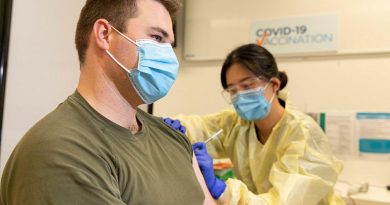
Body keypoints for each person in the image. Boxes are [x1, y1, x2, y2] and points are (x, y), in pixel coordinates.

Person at [0, 0, 216, 204]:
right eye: (157, 38)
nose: (169, 57)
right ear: (105, 34)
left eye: (170, 45)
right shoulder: (60, 151)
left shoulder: (172, 138)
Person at [164, 44, 345, 204]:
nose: (240, 96)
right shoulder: (238, 125)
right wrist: (169, 129)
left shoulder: (303, 135)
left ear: (274, 84)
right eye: (233, 90)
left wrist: (222, 190)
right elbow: (199, 127)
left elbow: (281, 202)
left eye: (248, 86)